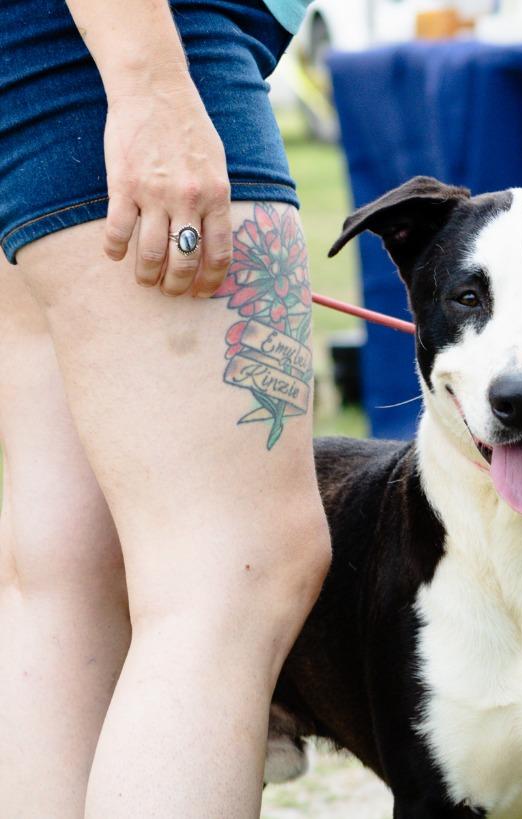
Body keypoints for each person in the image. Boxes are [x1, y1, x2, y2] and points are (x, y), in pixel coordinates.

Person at [0, 1, 330, 816]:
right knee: (233, 563)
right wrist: (150, 85)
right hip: (129, 38)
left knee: (77, 565)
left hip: (45, 55)